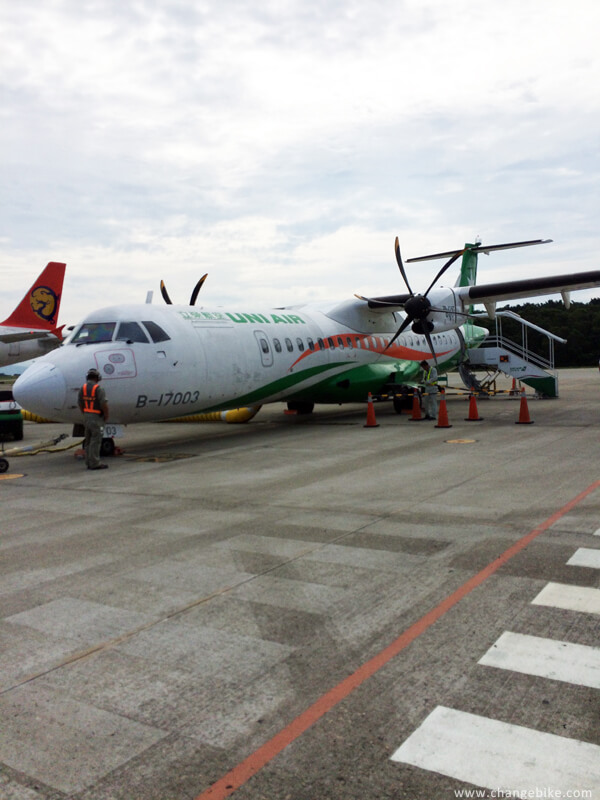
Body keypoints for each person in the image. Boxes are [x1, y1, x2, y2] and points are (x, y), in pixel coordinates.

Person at [77, 368, 110, 470]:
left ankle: (88, 462)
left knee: (88, 441)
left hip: (87, 417)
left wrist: (85, 412)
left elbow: (80, 403)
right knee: (96, 440)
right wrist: (106, 415)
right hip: (97, 419)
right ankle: (95, 463)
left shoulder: (83, 388)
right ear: (97, 378)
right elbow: (103, 403)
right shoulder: (98, 389)